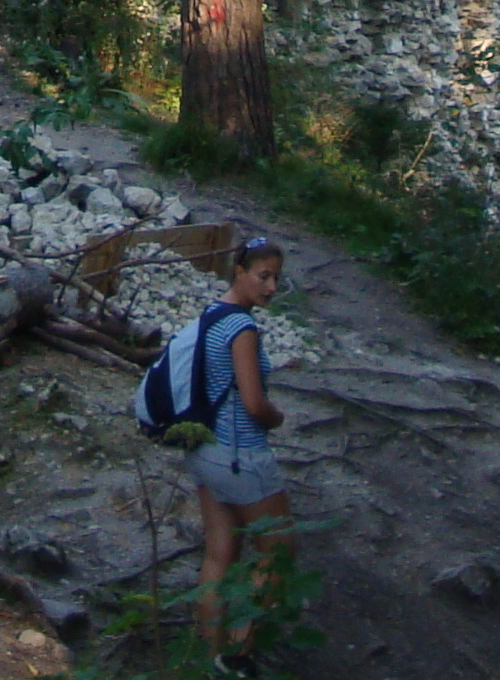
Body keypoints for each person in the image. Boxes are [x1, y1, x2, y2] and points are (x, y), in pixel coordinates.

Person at [190, 232, 294, 670]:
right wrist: (277, 417)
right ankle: (238, 655)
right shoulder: (243, 329)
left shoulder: (212, 314)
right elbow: (253, 403)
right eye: (263, 276)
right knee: (279, 551)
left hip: (205, 451)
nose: (271, 287)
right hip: (241, 455)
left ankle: (208, 657)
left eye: (276, 279)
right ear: (239, 272)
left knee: (219, 555)